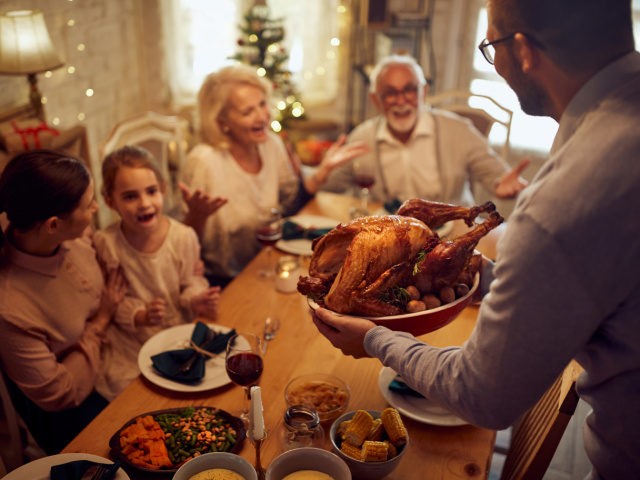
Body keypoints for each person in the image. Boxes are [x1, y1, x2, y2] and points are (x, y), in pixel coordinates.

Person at [312, 1, 640, 478]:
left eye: (491, 46)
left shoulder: (563, 200)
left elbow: (481, 394)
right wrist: (493, 279)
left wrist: (377, 340)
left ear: (523, 50)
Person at [180, 64, 368, 286]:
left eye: (262, 104)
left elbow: (289, 207)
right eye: (248, 111)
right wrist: (197, 215)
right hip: (221, 281)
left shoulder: (271, 144)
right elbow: (183, 244)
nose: (262, 116)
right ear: (223, 123)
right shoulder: (203, 161)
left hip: (267, 264)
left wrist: (321, 173)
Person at [0, 150, 125, 454]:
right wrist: (101, 321)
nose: (96, 208)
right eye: (88, 204)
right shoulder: (11, 307)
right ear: (53, 225)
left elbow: (97, 244)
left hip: (117, 349)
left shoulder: (71, 234)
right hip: (76, 407)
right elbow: (59, 393)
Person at [94, 145, 220, 400]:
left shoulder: (183, 237)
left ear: (163, 189)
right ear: (110, 201)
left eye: (151, 192)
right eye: (130, 196)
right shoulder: (106, 244)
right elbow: (109, 298)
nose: (144, 204)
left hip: (178, 334)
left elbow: (191, 281)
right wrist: (139, 315)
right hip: (133, 342)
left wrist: (195, 298)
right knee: (137, 397)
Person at [322, 54, 529, 207]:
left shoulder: (459, 130)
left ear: (423, 92)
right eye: (390, 93)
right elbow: (329, 186)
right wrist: (321, 172)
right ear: (376, 100)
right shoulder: (361, 137)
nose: (401, 101)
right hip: (393, 237)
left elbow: (496, 176)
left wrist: (505, 186)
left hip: (451, 235)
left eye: (409, 90)